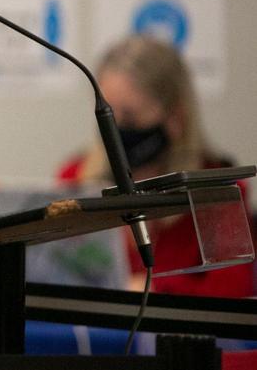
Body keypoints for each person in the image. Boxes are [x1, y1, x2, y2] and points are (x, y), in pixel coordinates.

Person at [57, 35, 254, 297]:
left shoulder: (219, 190)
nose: (116, 129)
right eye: (106, 114)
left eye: (129, 116)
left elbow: (234, 289)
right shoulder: (75, 179)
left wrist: (153, 290)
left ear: (176, 117)